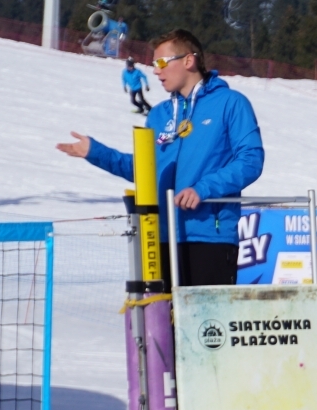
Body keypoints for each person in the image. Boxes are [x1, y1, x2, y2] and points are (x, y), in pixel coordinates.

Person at [55, 29, 264, 287]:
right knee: (163, 326)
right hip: (161, 237)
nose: (156, 71)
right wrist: (96, 153)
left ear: (189, 60)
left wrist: (203, 189)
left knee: (204, 325)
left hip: (210, 236)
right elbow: (145, 171)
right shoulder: (159, 114)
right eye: (154, 64)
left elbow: (250, 161)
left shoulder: (231, 103)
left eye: (162, 63)